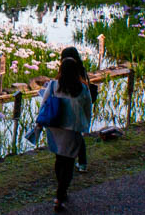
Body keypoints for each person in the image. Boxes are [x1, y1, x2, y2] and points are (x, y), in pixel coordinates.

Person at [38, 58, 92, 212]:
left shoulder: (54, 85)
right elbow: (88, 109)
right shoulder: (82, 88)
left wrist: (40, 122)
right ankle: (60, 194)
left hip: (55, 127)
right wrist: (85, 126)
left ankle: (61, 191)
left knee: (59, 159)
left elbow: (44, 104)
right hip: (72, 129)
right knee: (69, 162)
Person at [60, 47, 98, 173]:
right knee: (77, 136)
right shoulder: (81, 69)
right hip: (79, 109)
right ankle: (82, 163)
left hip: (69, 110)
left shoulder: (69, 69)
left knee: (71, 137)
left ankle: (73, 162)